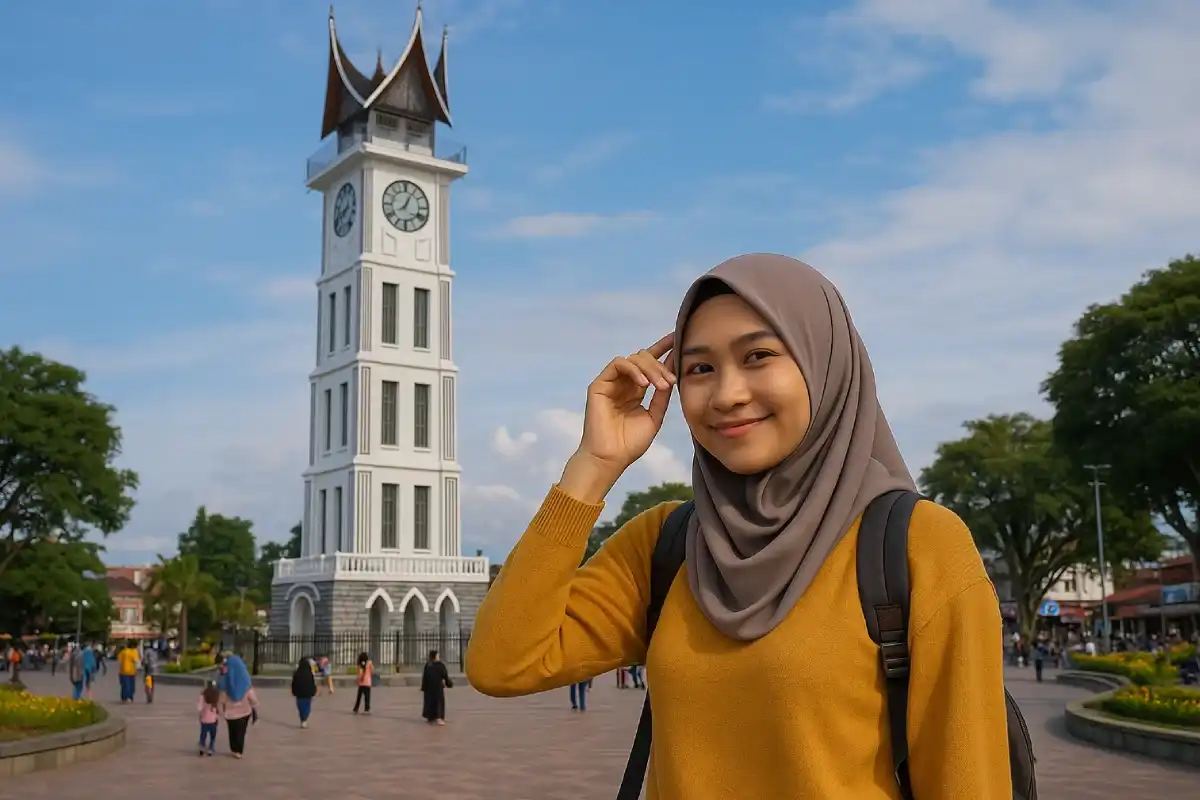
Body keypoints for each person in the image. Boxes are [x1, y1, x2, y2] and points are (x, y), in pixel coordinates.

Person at [466, 254, 1013, 799]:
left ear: (824, 363)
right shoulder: (668, 545)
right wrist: (593, 467)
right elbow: (503, 663)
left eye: (758, 356)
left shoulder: (916, 545)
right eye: (700, 369)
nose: (727, 394)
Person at [218, 655, 258, 759]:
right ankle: (239, 750)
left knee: (232, 731)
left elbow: (222, 697)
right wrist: (254, 705)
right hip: (244, 712)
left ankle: (233, 748)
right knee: (241, 731)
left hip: (230, 713)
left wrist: (221, 706)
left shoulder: (225, 681)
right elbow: (252, 697)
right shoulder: (245, 682)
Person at [420, 649, 452, 725]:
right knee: (438, 702)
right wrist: (449, 684)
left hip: (429, 688)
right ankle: (439, 717)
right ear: (435, 656)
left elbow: (424, 677)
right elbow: (445, 676)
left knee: (429, 702)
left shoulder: (428, 665)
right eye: (438, 655)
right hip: (438, 687)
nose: (439, 657)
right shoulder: (440, 665)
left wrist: (423, 687)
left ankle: (430, 717)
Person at [291, 657, 318, 728]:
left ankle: (302, 719)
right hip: (308, 694)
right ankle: (304, 719)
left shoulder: (297, 673)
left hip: (299, 694)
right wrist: (314, 691)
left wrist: (294, 691)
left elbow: (294, 683)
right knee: (307, 707)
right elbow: (312, 683)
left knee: (300, 707)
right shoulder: (309, 673)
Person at [197, 682, 220, 757]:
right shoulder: (216, 695)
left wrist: (200, 715)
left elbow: (199, 707)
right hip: (213, 720)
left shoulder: (203, 695)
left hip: (204, 719)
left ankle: (202, 748)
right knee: (212, 736)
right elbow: (217, 709)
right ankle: (211, 749)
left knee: (203, 735)